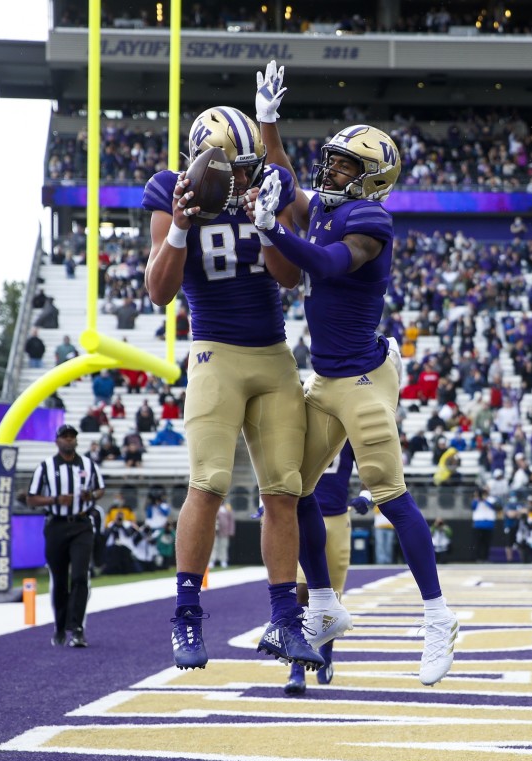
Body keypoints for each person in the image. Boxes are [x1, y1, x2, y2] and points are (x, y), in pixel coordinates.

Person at [251, 60, 457, 686]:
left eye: (345, 164)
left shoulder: (373, 221)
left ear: (372, 180)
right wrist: (267, 124)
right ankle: (323, 606)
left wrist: (272, 234)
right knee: (295, 491)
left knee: (391, 497)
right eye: (334, 159)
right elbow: (285, 183)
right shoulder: (328, 204)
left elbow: (329, 264)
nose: (332, 168)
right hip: (323, 377)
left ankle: (438, 617)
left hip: (364, 380)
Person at [143, 101, 345, 672]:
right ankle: (186, 615)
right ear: (202, 164)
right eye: (228, 171)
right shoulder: (170, 190)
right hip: (215, 354)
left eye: (245, 167)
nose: (239, 181)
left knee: (283, 490)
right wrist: (182, 225)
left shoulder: (269, 182)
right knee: (207, 483)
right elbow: (159, 291)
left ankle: (283, 621)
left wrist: (270, 226)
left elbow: (289, 277)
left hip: (274, 353)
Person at [284, 441, 375, 695]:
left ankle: (326, 652)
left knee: (332, 596)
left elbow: (369, 464)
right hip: (302, 514)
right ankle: (297, 668)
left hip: (338, 518)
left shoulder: (347, 422)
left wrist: (366, 495)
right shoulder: (301, 420)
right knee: (301, 590)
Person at [25, 424, 106, 648]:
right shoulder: (46, 467)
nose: (68, 440)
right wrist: (54, 500)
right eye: (64, 437)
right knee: (59, 580)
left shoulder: (88, 465)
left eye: (72, 437)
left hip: (81, 524)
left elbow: (101, 489)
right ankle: (60, 626)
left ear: (76, 441)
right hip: (57, 525)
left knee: (80, 576)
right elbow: (31, 499)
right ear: (57, 441)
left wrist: (91, 494)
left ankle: (77, 628)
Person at [213, 500, 235, 569]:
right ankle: (212, 561)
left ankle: (223, 561)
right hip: (214, 531)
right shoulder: (213, 507)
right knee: (213, 546)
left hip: (225, 531)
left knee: (224, 546)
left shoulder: (227, 508)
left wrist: (231, 531)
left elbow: (231, 520)